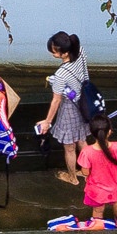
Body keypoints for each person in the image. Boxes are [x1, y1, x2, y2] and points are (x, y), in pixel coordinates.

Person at [33, 32, 90, 184]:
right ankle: (86, 171)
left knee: (70, 147)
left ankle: (72, 177)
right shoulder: (81, 51)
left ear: (64, 53)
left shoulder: (61, 74)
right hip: (84, 102)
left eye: (54, 51)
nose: (52, 53)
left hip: (70, 108)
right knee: (82, 139)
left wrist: (47, 121)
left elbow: (56, 100)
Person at [75, 115, 117, 223]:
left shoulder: (86, 152)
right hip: (114, 185)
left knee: (98, 210)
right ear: (109, 132)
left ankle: (98, 229)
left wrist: (88, 175)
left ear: (91, 132)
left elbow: (85, 172)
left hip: (96, 189)